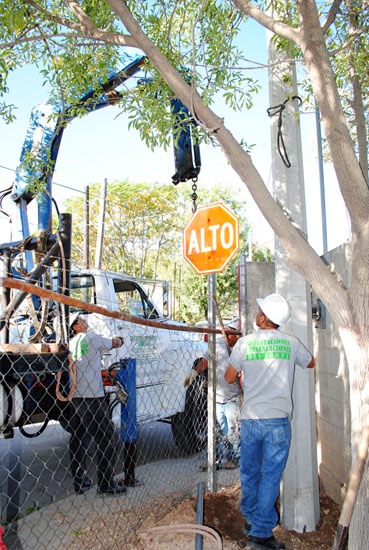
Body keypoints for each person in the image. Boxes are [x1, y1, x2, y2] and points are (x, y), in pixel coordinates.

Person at [225, 294, 315, 550]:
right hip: (277, 421)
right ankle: (259, 528)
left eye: (260, 309)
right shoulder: (290, 342)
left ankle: (255, 525)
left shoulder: (244, 344)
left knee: (250, 472)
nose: (257, 312)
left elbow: (230, 378)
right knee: (271, 476)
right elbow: (310, 362)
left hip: (251, 420)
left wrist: (242, 366)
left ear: (264, 318)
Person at [68, 312, 127, 495]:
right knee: (107, 438)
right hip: (94, 396)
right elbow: (114, 343)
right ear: (76, 326)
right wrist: (119, 339)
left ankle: (80, 482)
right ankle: (105, 484)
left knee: (78, 438)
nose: (85, 321)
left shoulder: (70, 343)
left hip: (76, 396)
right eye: (81, 319)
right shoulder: (92, 338)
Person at [195, 321, 241, 470]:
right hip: (218, 396)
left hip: (233, 397)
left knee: (232, 429)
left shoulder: (239, 348)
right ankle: (215, 459)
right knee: (220, 428)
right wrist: (193, 373)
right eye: (233, 333)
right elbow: (205, 361)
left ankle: (233, 459)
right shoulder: (218, 346)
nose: (236, 337)